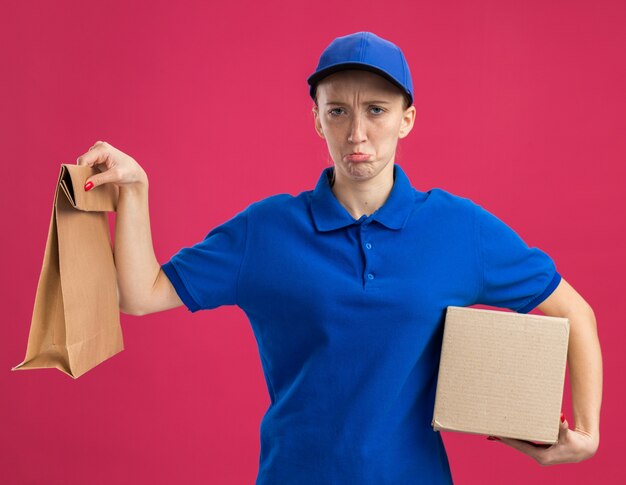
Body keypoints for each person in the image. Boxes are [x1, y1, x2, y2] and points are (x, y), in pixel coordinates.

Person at [76, 31, 601, 484]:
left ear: (407, 119)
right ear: (316, 120)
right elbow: (139, 295)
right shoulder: (267, 230)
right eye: (338, 111)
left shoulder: (460, 230)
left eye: (376, 110)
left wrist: (587, 430)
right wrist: (136, 190)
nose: (357, 133)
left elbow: (575, 312)